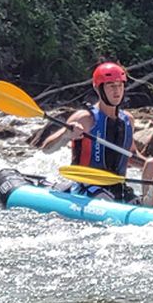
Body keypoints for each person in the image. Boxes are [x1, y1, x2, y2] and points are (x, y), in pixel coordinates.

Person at [41, 62, 139, 202]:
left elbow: (131, 156)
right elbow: (47, 150)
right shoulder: (85, 118)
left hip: (117, 187)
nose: (117, 91)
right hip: (86, 186)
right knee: (103, 198)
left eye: (120, 85)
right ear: (98, 89)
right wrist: (65, 135)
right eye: (111, 86)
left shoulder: (128, 120)